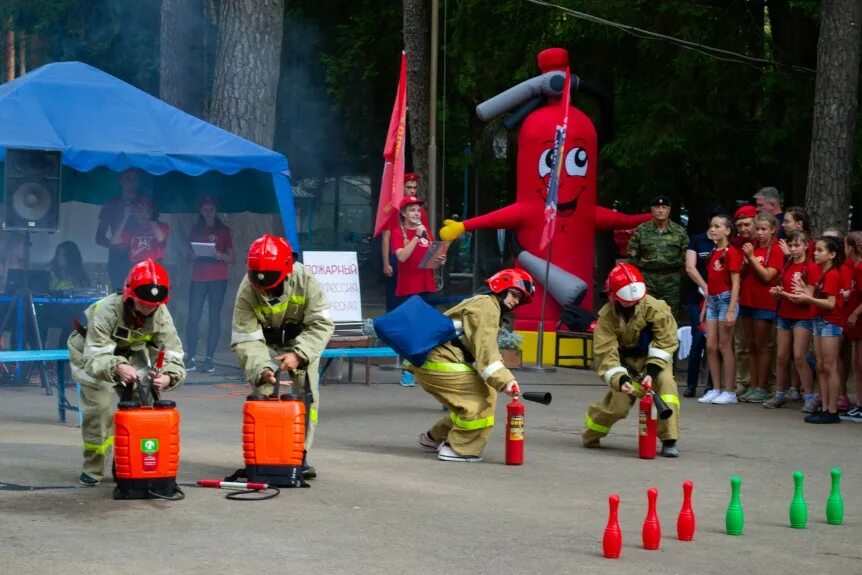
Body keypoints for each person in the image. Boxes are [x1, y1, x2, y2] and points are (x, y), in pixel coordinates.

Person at [67, 259, 186, 486]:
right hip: (91, 355)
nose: (150, 308)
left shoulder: (161, 313)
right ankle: (93, 470)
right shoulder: (107, 312)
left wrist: (168, 377)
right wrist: (117, 367)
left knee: (145, 403)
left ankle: (129, 464)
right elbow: (96, 358)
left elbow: (173, 353)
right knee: (99, 410)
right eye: (144, 304)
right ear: (129, 296)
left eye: (155, 305)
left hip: (130, 355)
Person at [230, 234, 334, 479]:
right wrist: (262, 369)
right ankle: (263, 455)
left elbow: (321, 324)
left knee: (307, 396)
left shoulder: (306, 281)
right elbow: (246, 338)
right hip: (264, 344)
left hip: (301, 343)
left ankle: (299, 454)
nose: (265, 288)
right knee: (262, 392)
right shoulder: (247, 287)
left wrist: (299, 355)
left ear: (287, 271)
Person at [413, 268, 531, 462]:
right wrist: (505, 381)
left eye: (520, 299)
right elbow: (486, 352)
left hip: (432, 360)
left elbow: (482, 349)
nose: (516, 301)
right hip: (439, 361)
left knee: (467, 403)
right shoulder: (487, 308)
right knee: (483, 398)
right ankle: (459, 449)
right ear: (500, 287)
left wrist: (502, 378)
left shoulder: (482, 303)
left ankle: (434, 438)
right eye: (515, 294)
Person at [582, 263, 681, 457]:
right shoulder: (607, 318)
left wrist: (652, 373)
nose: (632, 304)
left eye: (636, 300)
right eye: (627, 301)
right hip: (625, 363)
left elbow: (666, 341)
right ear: (613, 296)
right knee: (617, 407)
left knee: (667, 386)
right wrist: (621, 379)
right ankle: (590, 433)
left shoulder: (656, 309)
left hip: (655, 360)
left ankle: (669, 439)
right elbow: (605, 354)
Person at [391, 194, 447, 386]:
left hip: (426, 285)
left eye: (418, 210)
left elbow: (429, 260)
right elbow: (402, 257)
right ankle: (407, 370)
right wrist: (416, 236)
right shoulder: (398, 232)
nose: (416, 213)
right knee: (411, 328)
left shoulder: (426, 232)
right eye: (412, 210)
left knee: (427, 326)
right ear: (404, 213)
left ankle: (424, 367)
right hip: (408, 288)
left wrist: (439, 260)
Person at [787, 236, 844, 424]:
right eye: (816, 250)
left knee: (830, 365)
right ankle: (825, 406)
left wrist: (808, 299)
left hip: (830, 322)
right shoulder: (822, 272)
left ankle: (832, 410)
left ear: (832, 254)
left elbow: (831, 303)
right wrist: (805, 291)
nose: (816, 253)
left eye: (820, 250)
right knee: (821, 365)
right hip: (820, 320)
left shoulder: (834, 273)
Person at [185, 197, 235, 373]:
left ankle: (209, 359)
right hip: (198, 277)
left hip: (218, 278)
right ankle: (190, 357)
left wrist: (219, 255)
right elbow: (188, 255)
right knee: (193, 317)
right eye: (205, 209)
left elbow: (232, 258)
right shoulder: (195, 229)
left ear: (215, 211)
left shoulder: (223, 230)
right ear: (201, 211)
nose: (208, 212)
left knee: (215, 317)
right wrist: (193, 255)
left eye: (211, 209)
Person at [737, 211, 782, 403]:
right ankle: (752, 385)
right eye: (758, 229)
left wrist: (752, 258)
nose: (760, 233)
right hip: (747, 300)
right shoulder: (752, 247)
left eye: (764, 229)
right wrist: (746, 260)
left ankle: (761, 387)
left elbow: (767, 276)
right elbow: (741, 272)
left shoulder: (776, 250)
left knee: (763, 345)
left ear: (773, 230)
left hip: (765, 303)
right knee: (751, 344)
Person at [698, 214, 741, 405]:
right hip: (713, 302)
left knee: (725, 345)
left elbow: (736, 283)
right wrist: (705, 306)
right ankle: (715, 388)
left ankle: (729, 391)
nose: (713, 229)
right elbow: (710, 282)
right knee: (711, 345)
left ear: (727, 231)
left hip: (725, 300)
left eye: (717, 226)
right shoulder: (714, 251)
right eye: (711, 226)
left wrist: (731, 309)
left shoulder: (731, 252)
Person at [626, 195, 688, 316]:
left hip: (671, 281)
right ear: (651, 210)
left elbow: (686, 256)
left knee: (669, 316)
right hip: (647, 279)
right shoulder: (641, 230)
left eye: (664, 207)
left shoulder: (679, 232)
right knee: (644, 315)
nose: (660, 210)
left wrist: (680, 273)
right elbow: (632, 253)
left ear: (669, 210)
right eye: (657, 207)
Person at [683, 213, 717, 397]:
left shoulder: (727, 245)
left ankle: (713, 384)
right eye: (713, 223)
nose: (715, 228)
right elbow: (690, 267)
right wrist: (705, 286)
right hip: (698, 296)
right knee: (698, 338)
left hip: (719, 298)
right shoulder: (697, 240)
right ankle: (691, 384)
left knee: (714, 342)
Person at [381, 173, 426, 312]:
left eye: (414, 187)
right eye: (408, 187)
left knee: (414, 296)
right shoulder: (392, 209)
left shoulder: (419, 211)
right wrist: (386, 263)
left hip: (414, 258)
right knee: (394, 295)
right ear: (401, 188)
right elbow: (386, 237)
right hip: (397, 255)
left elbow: (424, 235)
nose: (412, 190)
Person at [96, 169, 141, 290]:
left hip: (140, 259)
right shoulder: (111, 204)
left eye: (134, 179)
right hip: (118, 259)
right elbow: (99, 238)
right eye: (128, 178)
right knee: (118, 298)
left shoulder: (144, 204)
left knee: (140, 298)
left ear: (138, 182)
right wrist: (115, 245)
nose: (131, 183)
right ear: (121, 181)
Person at [731, 205, 757, 397]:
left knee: (765, 345)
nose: (743, 229)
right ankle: (742, 382)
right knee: (741, 344)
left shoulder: (765, 243)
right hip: (742, 298)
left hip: (763, 300)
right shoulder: (735, 245)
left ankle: (765, 383)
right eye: (739, 225)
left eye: (747, 224)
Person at [841, 231, 862, 422]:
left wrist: (855, 313)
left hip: (860, 321)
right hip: (855, 324)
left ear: (851, 247)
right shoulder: (855, 268)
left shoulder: (860, 267)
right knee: (857, 364)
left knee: (860, 364)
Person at [111, 196, 169, 264]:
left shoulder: (162, 226)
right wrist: (125, 217)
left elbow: (160, 237)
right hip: (137, 267)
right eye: (138, 210)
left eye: (143, 210)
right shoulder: (132, 229)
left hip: (155, 265)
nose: (141, 214)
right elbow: (114, 241)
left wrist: (151, 218)